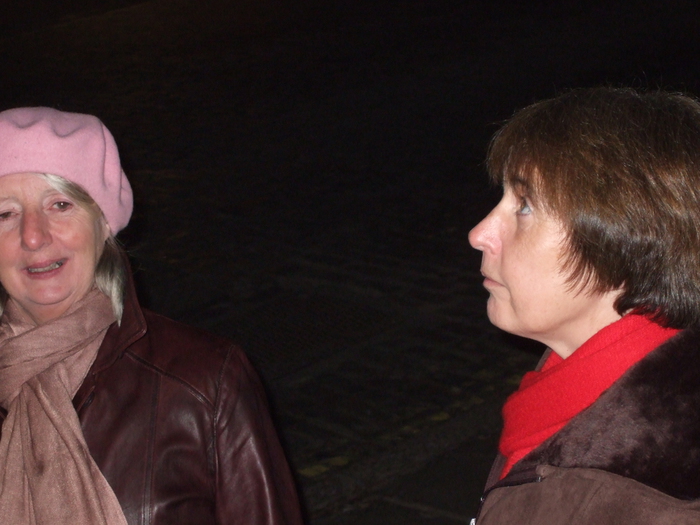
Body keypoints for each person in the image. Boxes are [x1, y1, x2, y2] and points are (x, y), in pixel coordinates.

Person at [0, 107, 303, 524]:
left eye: (60, 204)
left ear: (103, 224)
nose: (33, 236)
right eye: (5, 214)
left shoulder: (205, 383)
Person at [468, 87, 700, 524]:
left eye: (524, 206)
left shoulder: (647, 496)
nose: (479, 234)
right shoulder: (575, 385)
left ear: (627, 239)